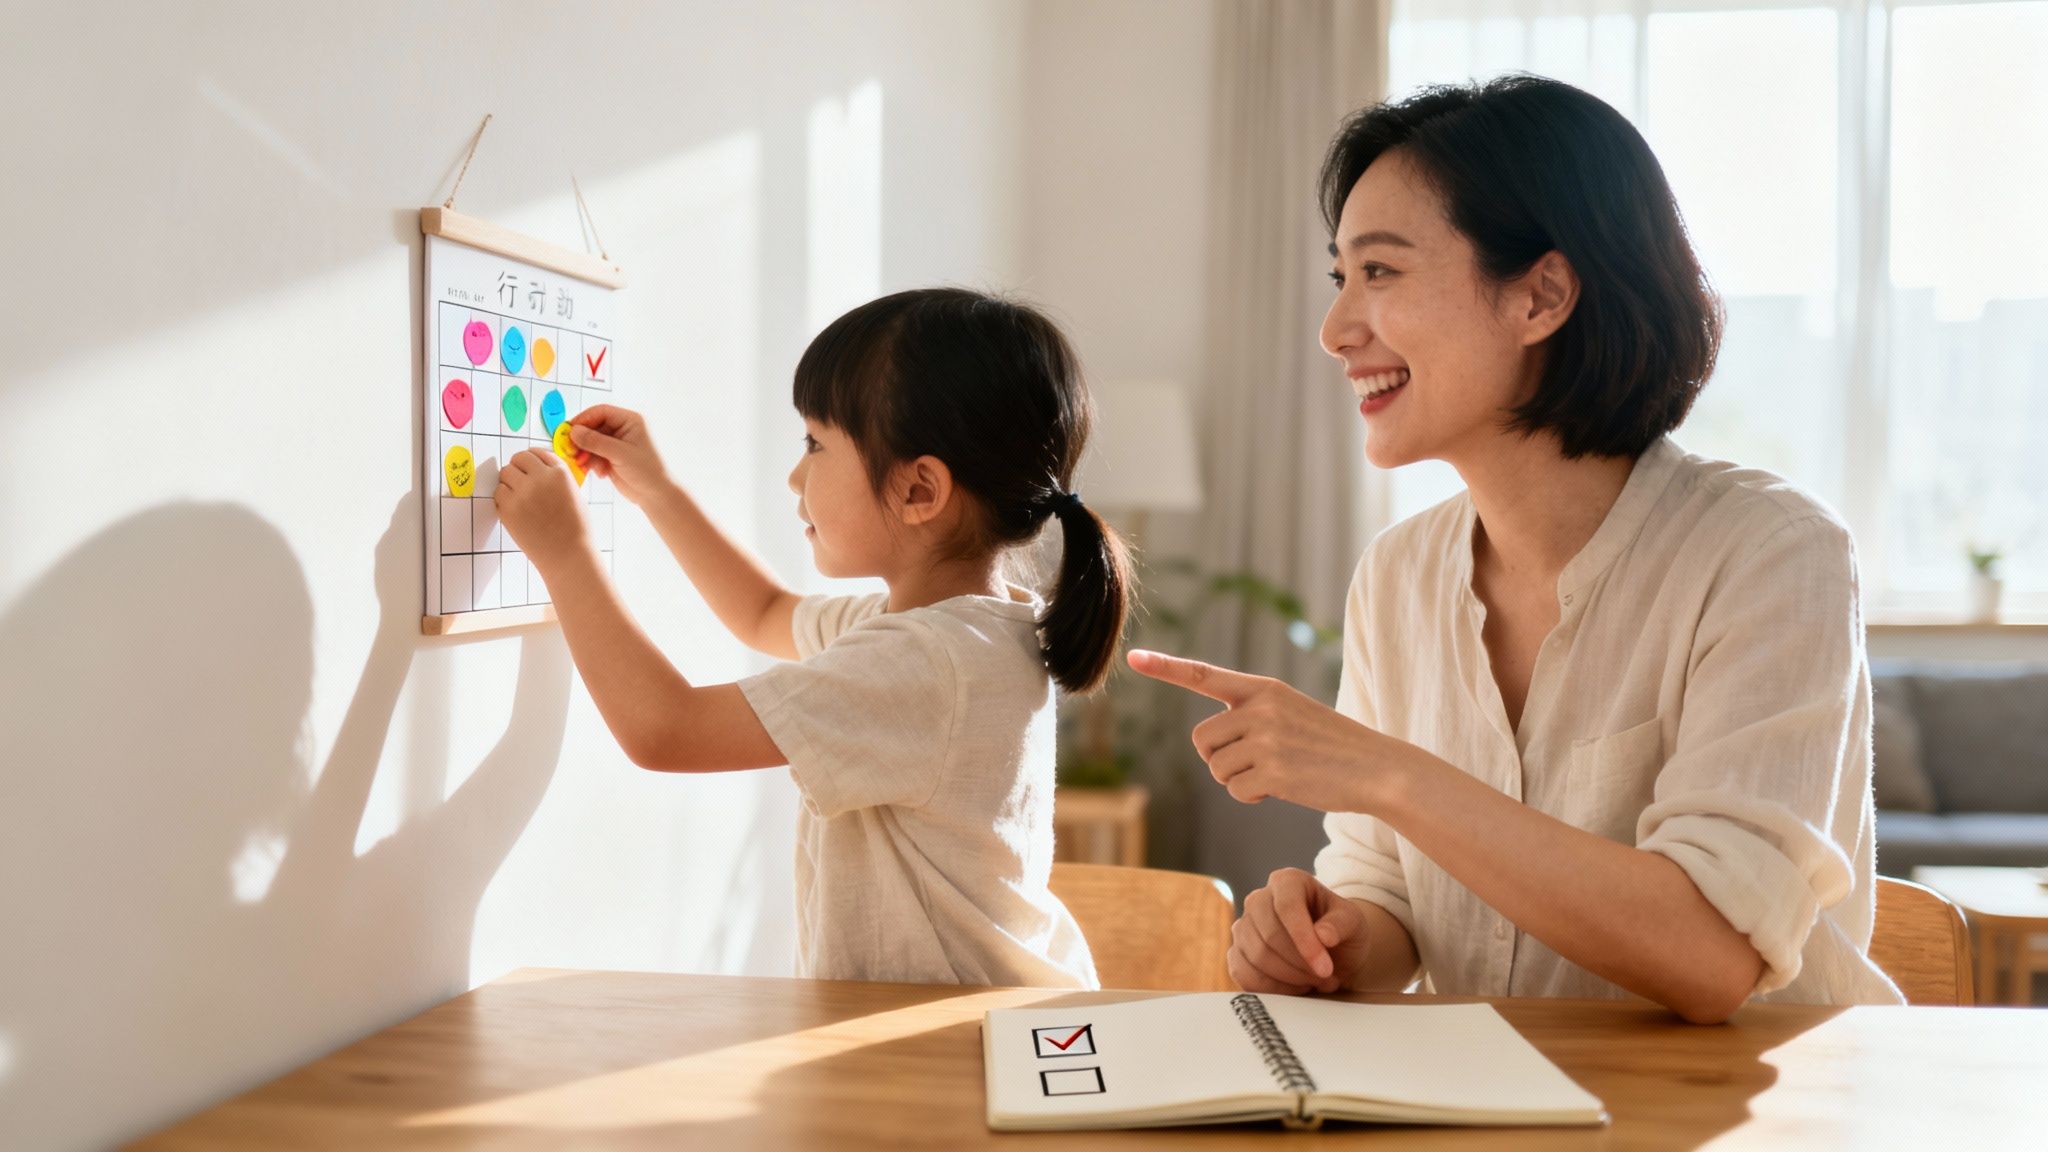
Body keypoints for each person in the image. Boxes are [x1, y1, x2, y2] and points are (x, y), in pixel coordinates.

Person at [1130, 75, 1902, 1021]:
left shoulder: (1773, 555)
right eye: (1341, 278)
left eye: (1380, 272)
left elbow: (1712, 952)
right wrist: (1331, 941)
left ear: (1540, 295)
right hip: (1501, 1101)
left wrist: (1385, 771)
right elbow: (1397, 905)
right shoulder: (1399, 575)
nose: (1336, 331)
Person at [495, 287, 1129, 989]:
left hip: (950, 1053)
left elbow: (664, 730)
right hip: (971, 1029)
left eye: (816, 444)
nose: (796, 474)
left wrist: (565, 556)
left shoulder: (925, 664)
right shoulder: (954, 633)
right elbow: (765, 613)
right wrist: (657, 491)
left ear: (921, 490)